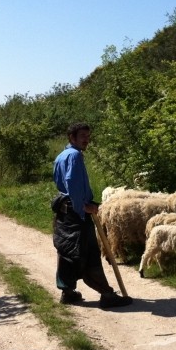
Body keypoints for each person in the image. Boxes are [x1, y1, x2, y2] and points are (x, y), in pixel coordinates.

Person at [52, 123, 132, 308]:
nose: (86, 139)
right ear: (72, 137)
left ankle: (68, 292)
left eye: (88, 136)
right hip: (76, 213)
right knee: (88, 253)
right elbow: (71, 183)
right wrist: (83, 207)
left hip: (65, 211)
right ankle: (107, 294)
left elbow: (61, 182)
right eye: (82, 136)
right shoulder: (74, 155)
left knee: (67, 252)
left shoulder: (61, 156)